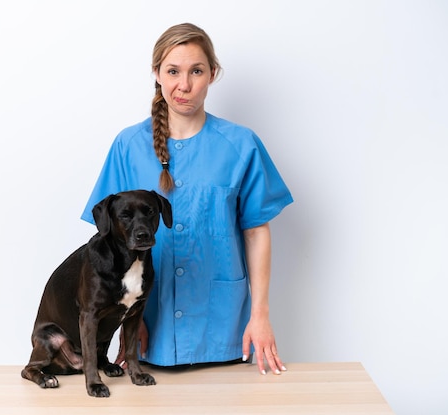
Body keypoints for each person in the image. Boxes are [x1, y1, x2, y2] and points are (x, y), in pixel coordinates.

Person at [80, 22, 293, 375]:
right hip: (148, 338)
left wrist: (260, 315)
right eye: (173, 71)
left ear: (213, 73)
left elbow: (256, 232)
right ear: (157, 74)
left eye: (196, 71)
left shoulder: (241, 145)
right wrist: (126, 314)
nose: (184, 85)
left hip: (225, 332)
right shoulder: (128, 146)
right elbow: (105, 242)